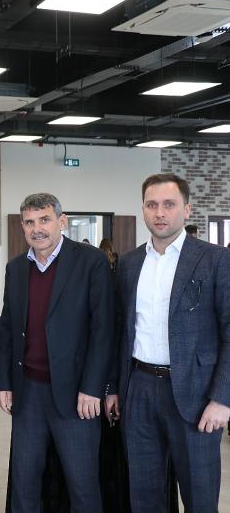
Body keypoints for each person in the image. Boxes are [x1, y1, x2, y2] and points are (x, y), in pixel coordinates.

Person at [106, 173, 230, 513]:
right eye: (152, 205)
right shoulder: (129, 263)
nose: (160, 213)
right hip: (139, 389)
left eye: (169, 204)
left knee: (199, 496)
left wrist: (222, 398)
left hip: (196, 394)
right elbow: (120, 331)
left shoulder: (216, 259)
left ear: (186, 209)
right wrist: (113, 387)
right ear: (143, 210)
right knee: (145, 495)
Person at [0, 192, 114, 513]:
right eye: (29, 222)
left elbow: (104, 330)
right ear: (22, 227)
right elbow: (7, 328)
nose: (37, 229)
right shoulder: (16, 268)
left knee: (82, 485)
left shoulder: (90, 262)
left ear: (62, 221)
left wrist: (93, 388)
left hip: (76, 395)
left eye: (44, 220)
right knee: (24, 483)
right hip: (28, 393)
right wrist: (4, 382)